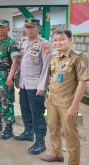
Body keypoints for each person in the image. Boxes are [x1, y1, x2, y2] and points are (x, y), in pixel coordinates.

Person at [40, 29, 89, 165]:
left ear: (70, 39)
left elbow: (82, 82)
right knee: (53, 128)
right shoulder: (55, 57)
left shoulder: (78, 58)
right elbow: (52, 79)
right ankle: (57, 154)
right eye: (55, 40)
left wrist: (74, 107)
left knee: (70, 135)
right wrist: (47, 97)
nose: (58, 42)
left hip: (67, 104)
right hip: (52, 101)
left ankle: (73, 162)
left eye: (61, 39)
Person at [14, 18, 53, 155]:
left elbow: (46, 67)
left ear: (38, 28)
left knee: (37, 114)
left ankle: (40, 142)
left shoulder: (45, 44)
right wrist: (17, 78)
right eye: (27, 27)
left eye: (31, 27)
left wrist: (42, 87)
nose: (29, 29)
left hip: (36, 86)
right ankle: (28, 133)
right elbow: (20, 62)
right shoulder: (24, 43)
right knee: (25, 111)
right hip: (24, 85)